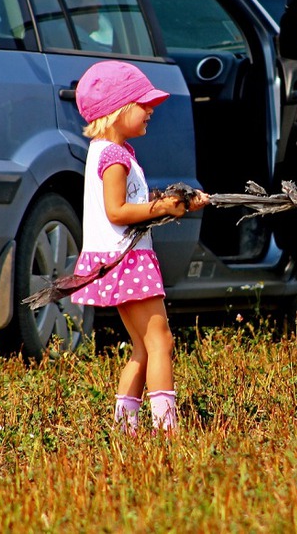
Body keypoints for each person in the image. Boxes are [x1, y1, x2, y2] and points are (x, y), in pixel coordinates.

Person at [71, 60, 209, 433]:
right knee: (160, 341)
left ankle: (125, 427)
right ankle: (166, 428)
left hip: (119, 259)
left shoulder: (110, 151)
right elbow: (118, 211)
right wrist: (162, 206)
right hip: (127, 260)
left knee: (144, 347)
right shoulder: (114, 157)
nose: (150, 110)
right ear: (116, 111)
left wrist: (171, 202)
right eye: (142, 103)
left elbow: (130, 204)